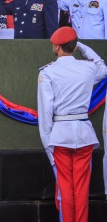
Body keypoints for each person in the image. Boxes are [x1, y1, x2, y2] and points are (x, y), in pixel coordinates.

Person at [37, 27, 107, 222]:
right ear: (74, 46)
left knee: (65, 190)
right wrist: (81, 46)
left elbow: (45, 114)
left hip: (60, 136)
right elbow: (102, 65)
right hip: (84, 134)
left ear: (56, 46)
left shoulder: (48, 71)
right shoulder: (88, 68)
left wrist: (47, 145)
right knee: (81, 189)